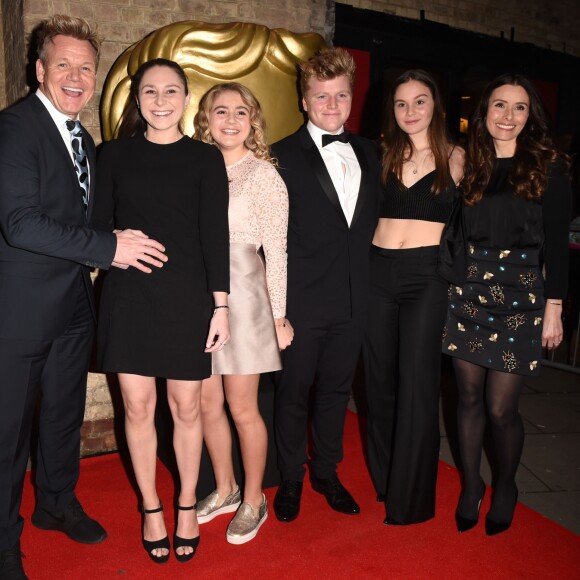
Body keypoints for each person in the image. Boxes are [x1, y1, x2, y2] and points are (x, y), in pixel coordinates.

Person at [0, 15, 168, 580]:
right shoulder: (15, 128)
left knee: (64, 416)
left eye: (86, 68)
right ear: (41, 69)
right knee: (8, 430)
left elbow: (95, 218)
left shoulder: (86, 139)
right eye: (64, 65)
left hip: (74, 303)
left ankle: (55, 503)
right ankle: (2, 539)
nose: (76, 76)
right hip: (19, 310)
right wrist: (108, 248)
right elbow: (20, 223)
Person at [93, 59, 230, 563]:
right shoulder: (113, 155)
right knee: (136, 408)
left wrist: (221, 307)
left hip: (188, 297)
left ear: (185, 97)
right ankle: (152, 506)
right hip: (130, 296)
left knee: (187, 408)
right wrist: (111, 240)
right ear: (138, 99)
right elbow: (96, 226)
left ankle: (188, 502)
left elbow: (216, 237)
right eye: (150, 91)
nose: (160, 100)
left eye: (171, 91)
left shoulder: (204, 159)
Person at [442, 73, 571, 535]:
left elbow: (556, 244)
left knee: (500, 408)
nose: (508, 117)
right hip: (469, 292)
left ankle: (507, 485)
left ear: (530, 116)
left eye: (519, 108)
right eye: (499, 106)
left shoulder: (548, 168)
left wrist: (554, 308)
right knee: (468, 398)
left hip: (522, 296)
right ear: (484, 112)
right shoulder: (469, 165)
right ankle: (472, 485)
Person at [271, 47, 381, 522]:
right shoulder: (279, 155)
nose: (332, 105)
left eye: (340, 95)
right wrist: (278, 309)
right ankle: (292, 477)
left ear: (351, 97)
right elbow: (270, 240)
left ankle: (327, 474)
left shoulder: (373, 153)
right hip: (301, 303)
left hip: (356, 301)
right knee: (293, 393)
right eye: (321, 96)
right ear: (304, 99)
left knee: (337, 393)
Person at [362, 70, 465, 525]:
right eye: (401, 103)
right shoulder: (381, 155)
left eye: (419, 102)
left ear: (436, 106)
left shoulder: (458, 158)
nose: (410, 111)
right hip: (376, 272)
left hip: (426, 277)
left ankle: (412, 497)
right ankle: (386, 480)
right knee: (378, 382)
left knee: (419, 383)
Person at [192, 82, 293, 544]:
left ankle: (255, 497)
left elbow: (278, 250)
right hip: (199, 295)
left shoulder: (265, 176)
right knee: (207, 402)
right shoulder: (194, 167)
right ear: (205, 118)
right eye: (220, 111)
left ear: (252, 120)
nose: (230, 120)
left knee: (242, 405)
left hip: (248, 296)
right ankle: (227, 487)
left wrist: (278, 317)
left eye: (240, 112)